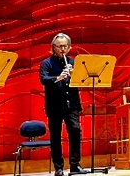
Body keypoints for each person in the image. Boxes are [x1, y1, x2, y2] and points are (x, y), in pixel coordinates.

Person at [39, 33, 88, 176]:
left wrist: (75, 75)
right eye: (60, 46)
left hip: (71, 104)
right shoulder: (46, 63)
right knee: (55, 136)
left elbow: (81, 82)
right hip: (54, 105)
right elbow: (43, 79)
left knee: (75, 131)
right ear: (53, 47)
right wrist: (58, 77)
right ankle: (58, 167)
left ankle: (75, 165)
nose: (63, 49)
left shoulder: (73, 63)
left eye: (65, 46)